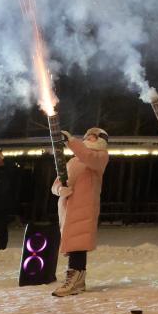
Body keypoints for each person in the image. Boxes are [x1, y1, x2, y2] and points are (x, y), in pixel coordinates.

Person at [50, 127, 110, 297]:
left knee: (78, 244)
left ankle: (74, 280)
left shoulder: (100, 157)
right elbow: (56, 183)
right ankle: (77, 280)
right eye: (88, 136)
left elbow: (87, 156)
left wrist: (70, 141)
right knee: (72, 244)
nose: (90, 138)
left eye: (94, 136)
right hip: (68, 209)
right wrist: (60, 190)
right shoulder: (73, 161)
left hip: (85, 206)